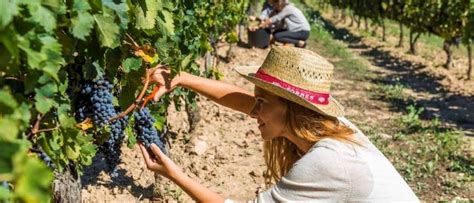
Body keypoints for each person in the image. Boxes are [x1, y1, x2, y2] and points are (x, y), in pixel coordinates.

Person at [138, 47, 419, 202]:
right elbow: (242, 100)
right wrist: (182, 78)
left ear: (292, 108)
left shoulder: (328, 162)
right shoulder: (329, 125)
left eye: (261, 103)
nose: (252, 111)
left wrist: (175, 175)